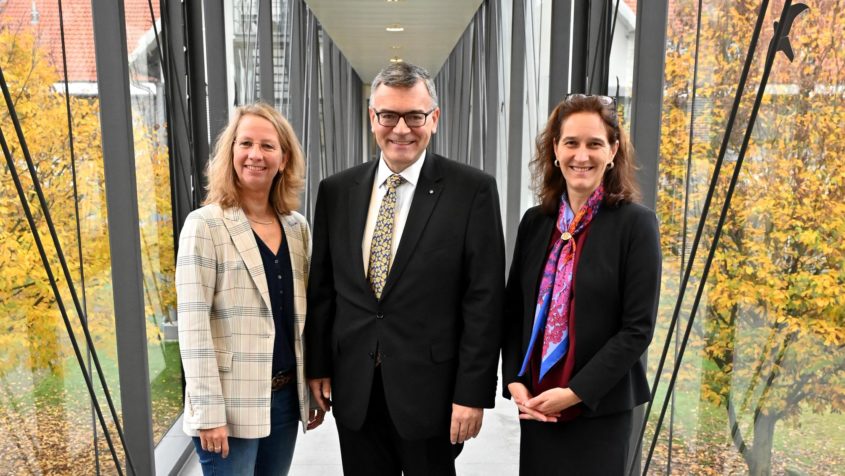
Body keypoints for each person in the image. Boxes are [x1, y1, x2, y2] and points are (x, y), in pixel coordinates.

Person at [305, 62, 505, 476]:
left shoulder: (472, 191)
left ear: (434, 117)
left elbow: (484, 302)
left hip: (431, 395)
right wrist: (319, 365)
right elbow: (324, 289)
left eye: (414, 115)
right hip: (356, 390)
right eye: (388, 115)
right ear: (371, 117)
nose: (401, 129)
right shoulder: (336, 191)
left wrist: (472, 394)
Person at [501, 94, 662, 475]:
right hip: (538, 406)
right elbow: (513, 311)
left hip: (598, 410)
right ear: (555, 149)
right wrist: (514, 380)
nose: (582, 155)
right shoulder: (535, 223)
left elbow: (637, 329)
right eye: (571, 143)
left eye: (595, 144)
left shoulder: (636, 226)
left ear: (613, 151)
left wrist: (574, 393)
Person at [176, 102, 324, 476]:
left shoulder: (297, 227)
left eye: (267, 146)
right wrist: (209, 413)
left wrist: (307, 389)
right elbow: (193, 328)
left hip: (285, 400)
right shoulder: (205, 225)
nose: (255, 155)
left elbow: (301, 318)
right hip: (229, 404)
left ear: (284, 159)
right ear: (231, 153)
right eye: (245, 144)